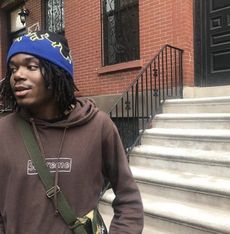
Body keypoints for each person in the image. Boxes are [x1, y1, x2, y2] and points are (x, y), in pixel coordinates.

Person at [0, 31, 144, 234]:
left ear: (57, 71)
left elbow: (128, 199)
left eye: (31, 66)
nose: (18, 75)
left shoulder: (98, 126)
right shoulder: (3, 132)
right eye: (13, 68)